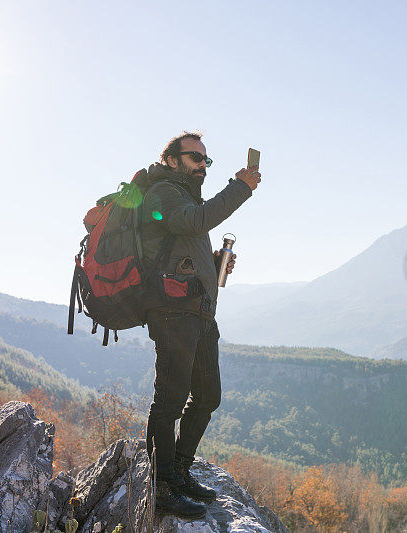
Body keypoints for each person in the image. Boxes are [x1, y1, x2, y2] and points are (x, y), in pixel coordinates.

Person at [139, 132, 261, 519]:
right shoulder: (163, 192)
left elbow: (182, 242)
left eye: (207, 160)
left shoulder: (184, 196)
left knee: (207, 397)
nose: (203, 166)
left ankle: (180, 471)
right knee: (170, 401)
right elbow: (194, 221)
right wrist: (240, 187)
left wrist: (212, 259)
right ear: (173, 159)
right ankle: (160, 487)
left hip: (199, 312)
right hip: (173, 313)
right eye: (196, 158)